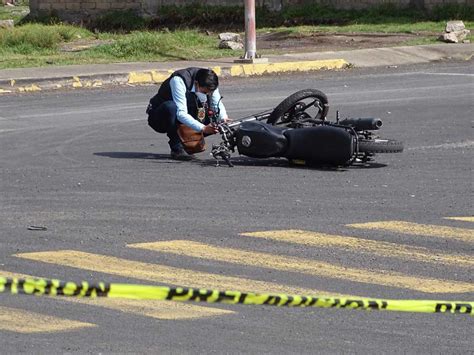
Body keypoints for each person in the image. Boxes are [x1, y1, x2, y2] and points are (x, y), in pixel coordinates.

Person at [146, 67, 229, 160]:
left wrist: (223, 118)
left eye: (210, 92)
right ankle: (176, 147)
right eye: (205, 92)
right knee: (171, 107)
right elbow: (181, 113)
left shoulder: (209, 82)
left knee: (214, 120)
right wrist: (204, 128)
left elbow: (217, 103)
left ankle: (188, 141)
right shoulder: (178, 80)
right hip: (160, 116)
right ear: (197, 84)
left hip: (188, 110)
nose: (208, 95)